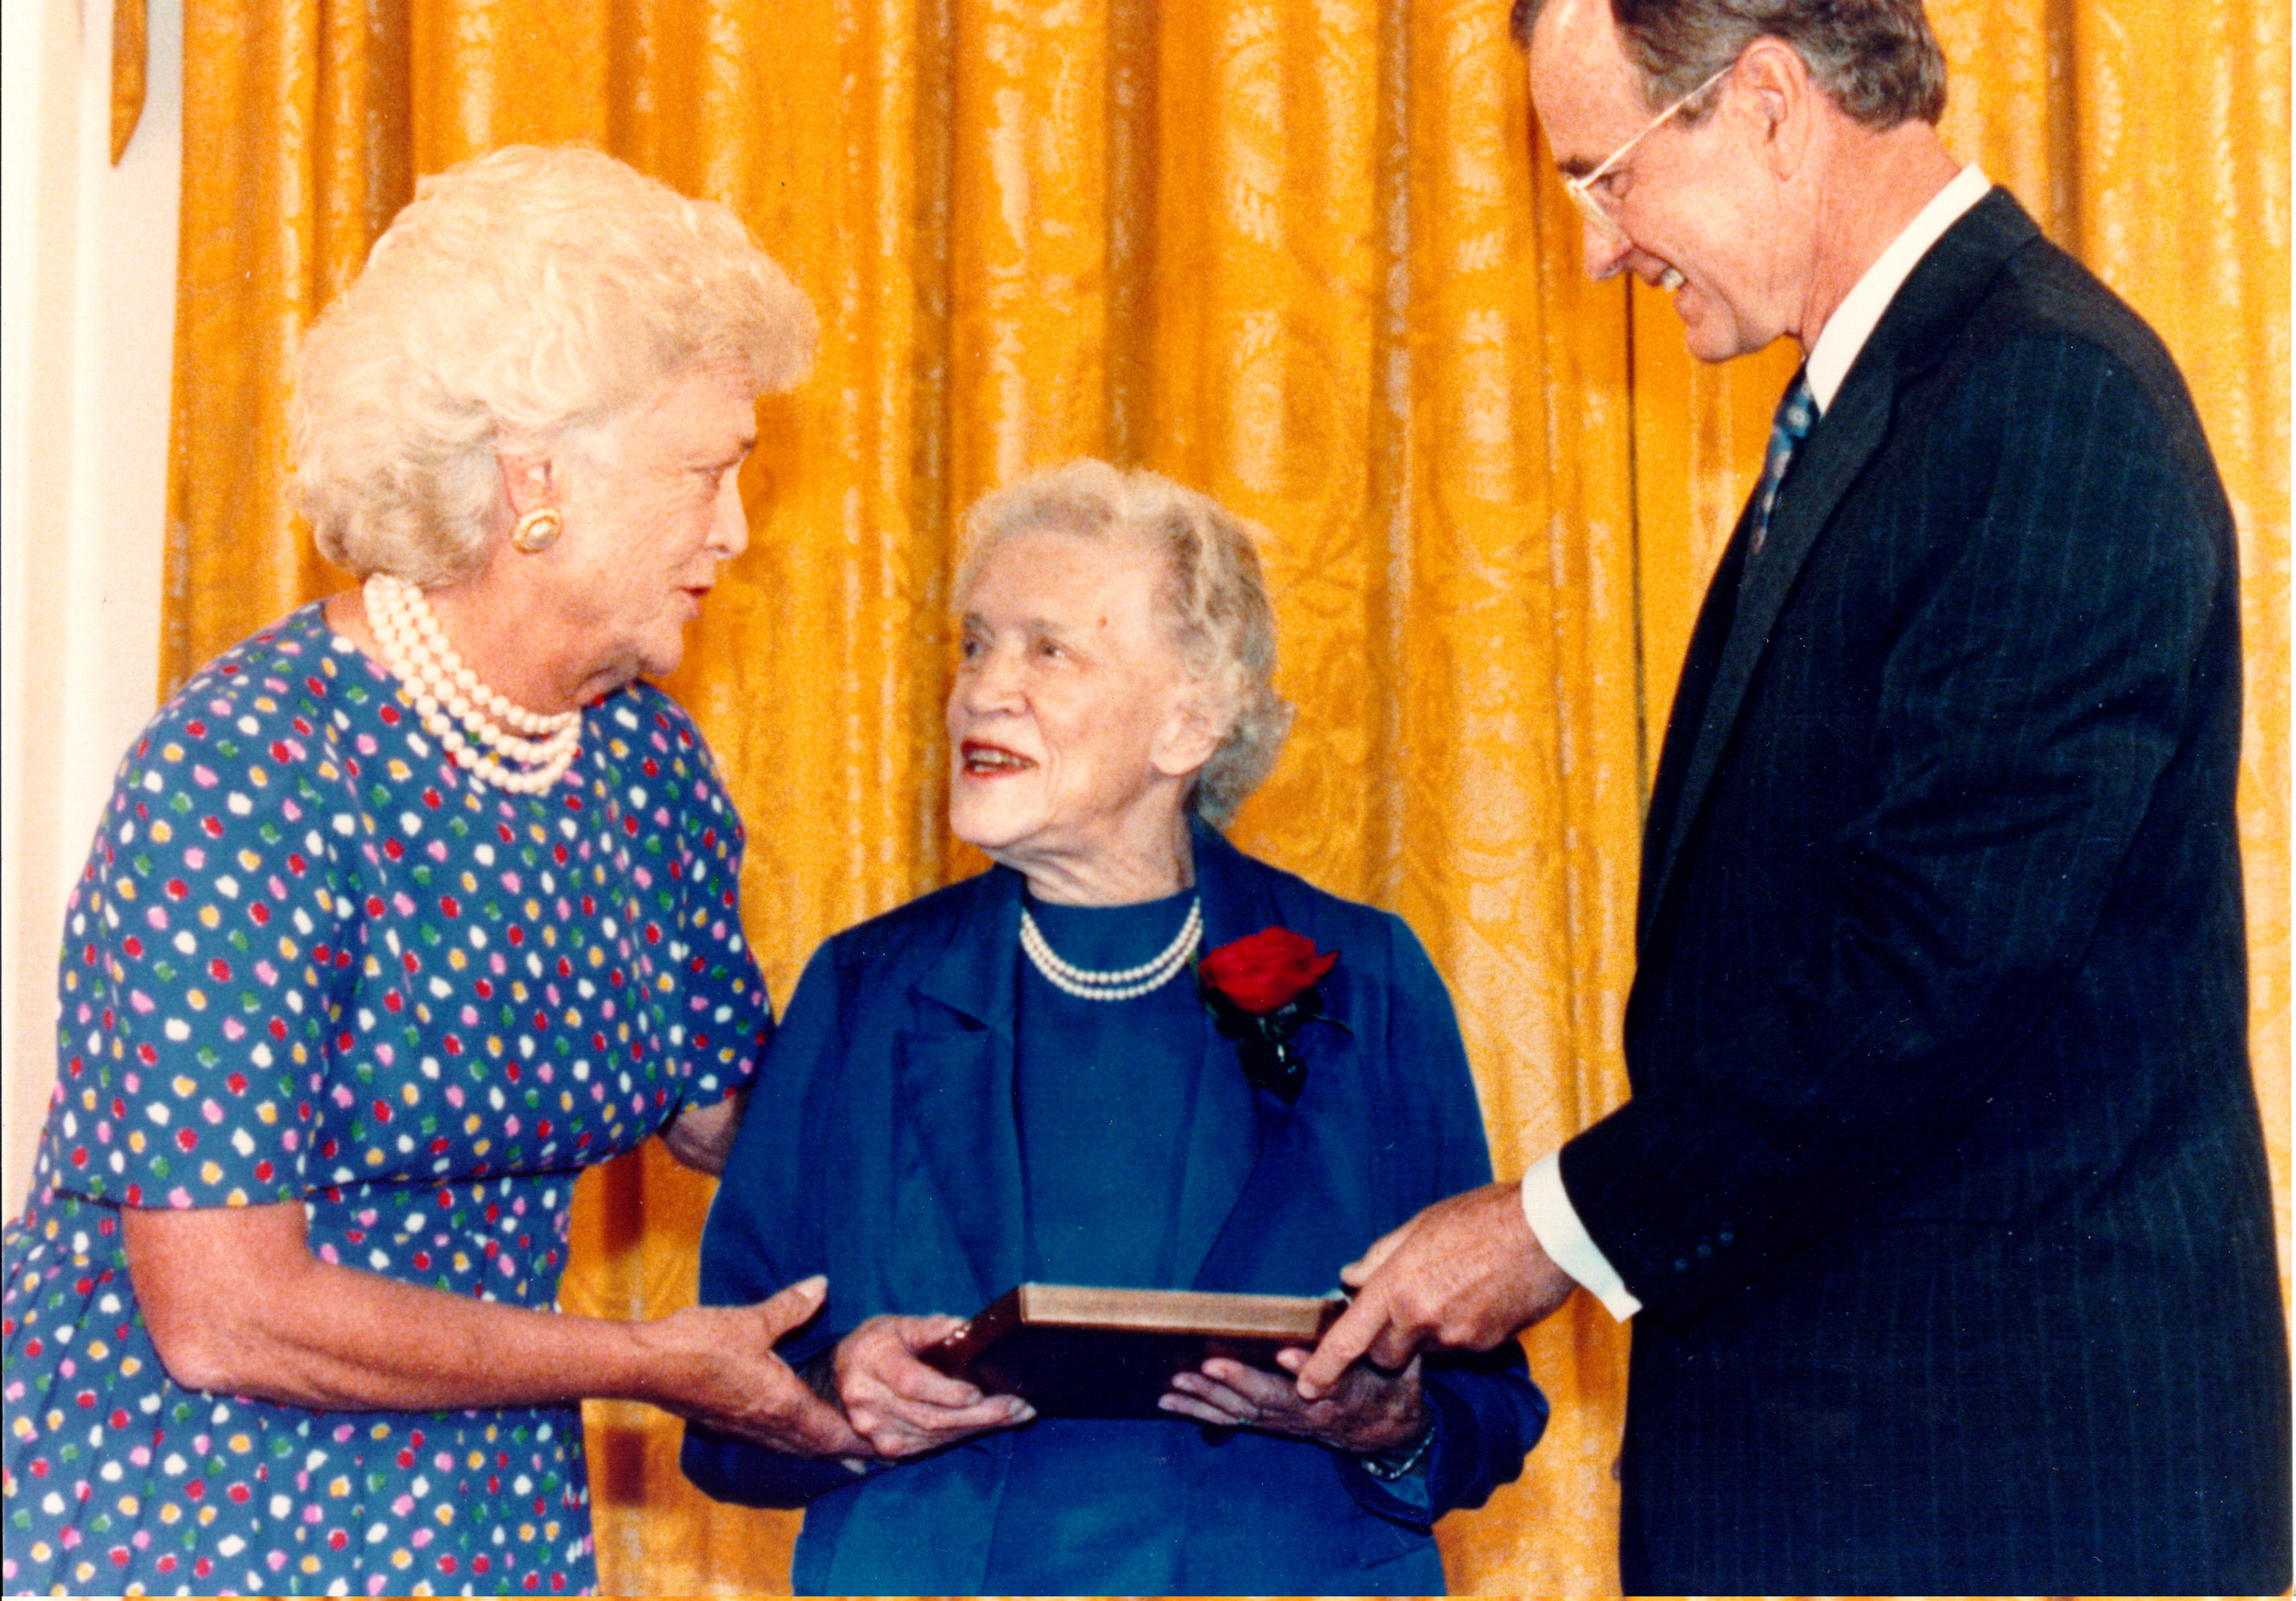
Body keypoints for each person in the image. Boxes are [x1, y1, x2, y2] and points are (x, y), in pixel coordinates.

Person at [1298, 0, 2290, 1594]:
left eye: (1604, 176)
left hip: (1993, 1485)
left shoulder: (2040, 403)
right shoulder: (1901, 406)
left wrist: (1548, 1225)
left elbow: (1931, 980)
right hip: (1868, 1466)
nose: (1600, 248)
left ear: (1766, 102)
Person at [0, 144, 866, 1598]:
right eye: (704, 471)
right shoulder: (251, 773)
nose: (732, 528)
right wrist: (645, 1361)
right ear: (536, 477)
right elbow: (226, 1314)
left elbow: (742, 1116)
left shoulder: (642, 771)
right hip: (190, 1508)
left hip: (486, 1512)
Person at [681, 459, 1547, 1595]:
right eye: (976, 643)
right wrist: (841, 1389)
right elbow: (724, 1401)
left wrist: (1385, 1419)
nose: (983, 691)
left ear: (1187, 722)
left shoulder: (1364, 979)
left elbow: (1487, 1405)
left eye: (1048, 649)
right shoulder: (863, 989)